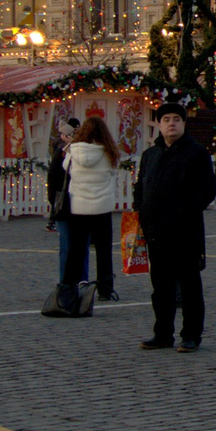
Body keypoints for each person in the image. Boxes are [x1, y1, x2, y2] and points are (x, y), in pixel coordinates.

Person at [134, 106, 216, 352]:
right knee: (161, 286)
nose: (172, 124)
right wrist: (141, 210)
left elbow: (206, 191)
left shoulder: (196, 154)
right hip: (155, 231)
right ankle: (162, 334)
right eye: (166, 119)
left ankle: (191, 335)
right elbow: (141, 186)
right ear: (159, 125)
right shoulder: (150, 155)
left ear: (184, 124)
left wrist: (182, 213)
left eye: (177, 119)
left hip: (185, 231)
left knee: (190, 285)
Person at [52, 119, 122, 311]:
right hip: (102, 205)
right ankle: (105, 288)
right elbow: (112, 173)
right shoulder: (108, 152)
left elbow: (66, 169)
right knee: (103, 250)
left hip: (79, 205)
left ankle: (68, 287)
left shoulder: (73, 151)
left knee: (76, 249)